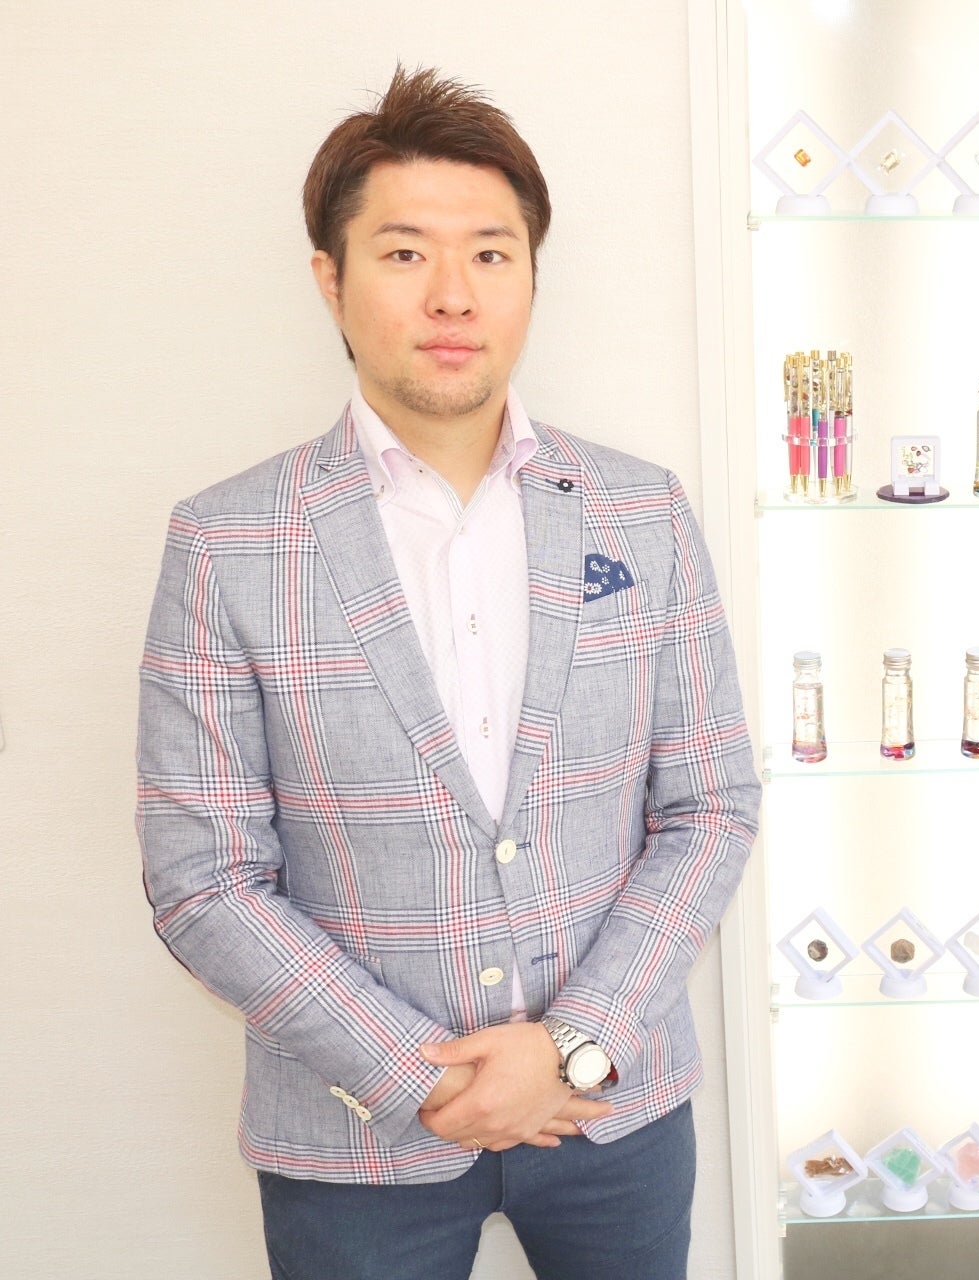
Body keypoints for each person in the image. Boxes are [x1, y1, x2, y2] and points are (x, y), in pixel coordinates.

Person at [134, 63, 761, 1280]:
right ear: (331, 279)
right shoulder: (226, 539)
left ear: (531, 276)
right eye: (405, 252)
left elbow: (711, 805)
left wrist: (573, 1040)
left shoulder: (641, 511)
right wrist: (420, 1073)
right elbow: (202, 876)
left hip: (614, 1107)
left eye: (490, 252)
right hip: (352, 1133)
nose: (453, 293)